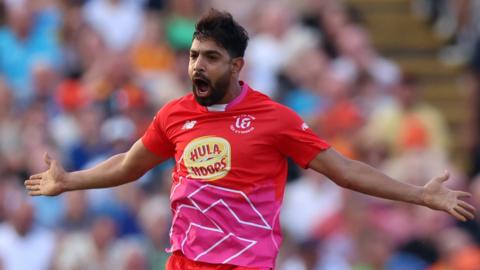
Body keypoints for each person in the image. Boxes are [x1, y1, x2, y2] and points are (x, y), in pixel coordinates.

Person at [24, 9, 475, 270]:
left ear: (237, 67)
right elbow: (127, 165)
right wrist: (69, 181)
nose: (198, 66)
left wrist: (419, 195)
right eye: (194, 56)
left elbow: (344, 170)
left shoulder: (273, 119)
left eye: (212, 58)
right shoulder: (174, 114)